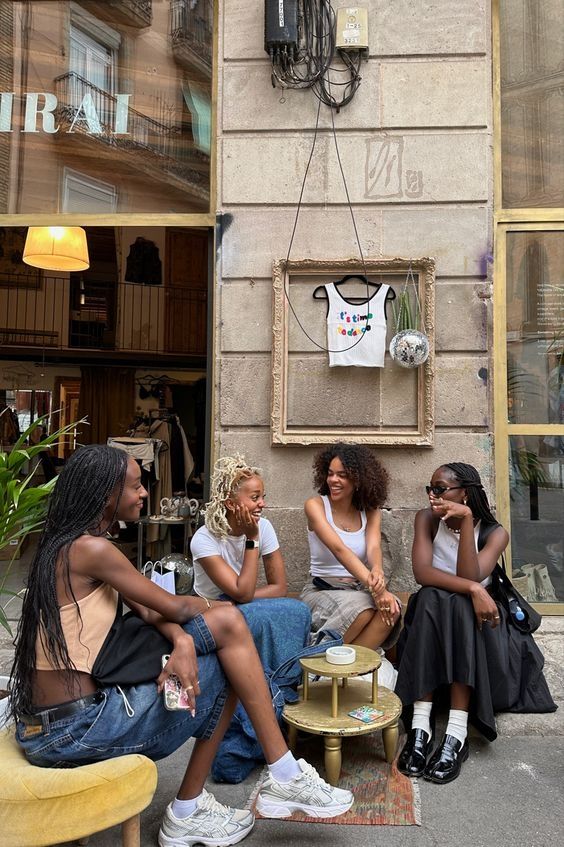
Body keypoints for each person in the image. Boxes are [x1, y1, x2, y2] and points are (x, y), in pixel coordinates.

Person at [9, 445, 353, 847]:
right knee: (229, 632)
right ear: (106, 495)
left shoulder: (70, 545)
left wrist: (182, 637)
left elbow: (150, 610)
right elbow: (171, 603)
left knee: (229, 644)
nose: (144, 495)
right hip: (74, 731)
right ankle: (259, 782)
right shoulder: (91, 550)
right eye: (136, 486)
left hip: (52, 727)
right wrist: (210, 610)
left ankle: (254, 784)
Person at [395, 462, 557, 785]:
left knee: (459, 605)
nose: (432, 496)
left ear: (464, 494)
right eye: (430, 488)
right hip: (434, 623)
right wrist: (471, 589)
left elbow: (470, 573)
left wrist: (467, 522)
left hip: (481, 632)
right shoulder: (426, 520)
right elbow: (423, 574)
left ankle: (456, 733)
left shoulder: (495, 533)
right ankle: (420, 728)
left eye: (440, 489)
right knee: (428, 597)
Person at [190, 454, 312, 782]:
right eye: (255, 497)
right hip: (214, 615)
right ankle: (245, 738)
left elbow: (279, 587)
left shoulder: (264, 527)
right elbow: (239, 594)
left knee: (298, 610)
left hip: (239, 605)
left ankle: (279, 695)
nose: (262, 505)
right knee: (251, 619)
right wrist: (251, 540)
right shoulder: (204, 539)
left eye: (263, 496)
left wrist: (240, 595)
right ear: (230, 502)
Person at [300, 443, 401, 653]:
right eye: (330, 474)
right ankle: (318, 662)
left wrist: (378, 572)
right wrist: (377, 589)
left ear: (358, 480)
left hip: (358, 589)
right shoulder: (316, 505)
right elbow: (339, 549)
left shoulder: (371, 510)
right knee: (362, 609)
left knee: (391, 610)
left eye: (342, 475)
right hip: (321, 589)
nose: (333, 480)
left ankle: (345, 668)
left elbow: (374, 547)